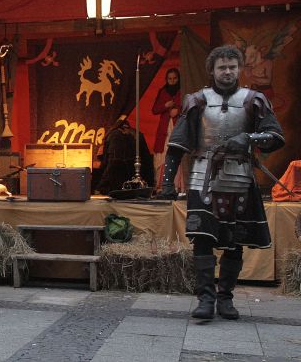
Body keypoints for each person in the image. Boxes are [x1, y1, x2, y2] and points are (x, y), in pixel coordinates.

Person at [158, 45, 284, 320]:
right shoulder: (197, 101)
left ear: (239, 69)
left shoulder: (254, 100)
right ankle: (205, 298)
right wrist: (167, 184)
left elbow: (275, 136)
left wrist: (248, 138)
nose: (227, 72)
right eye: (222, 67)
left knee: (235, 241)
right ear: (212, 70)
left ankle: (225, 299)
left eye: (232, 67)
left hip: (240, 178)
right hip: (202, 177)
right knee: (203, 239)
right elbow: (177, 145)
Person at [97, 117, 154, 194]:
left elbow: (106, 160)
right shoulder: (137, 134)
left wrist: (102, 184)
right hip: (133, 172)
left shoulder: (112, 134)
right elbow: (146, 159)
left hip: (115, 172)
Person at [152, 68, 184, 193]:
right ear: (166, 80)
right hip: (165, 128)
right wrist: (165, 106)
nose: (172, 81)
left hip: (178, 127)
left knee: (177, 154)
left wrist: (178, 111)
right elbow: (155, 109)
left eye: (175, 78)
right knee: (164, 155)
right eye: (170, 79)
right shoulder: (163, 91)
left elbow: (189, 107)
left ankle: (177, 186)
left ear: (178, 79)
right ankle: (162, 186)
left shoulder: (182, 91)